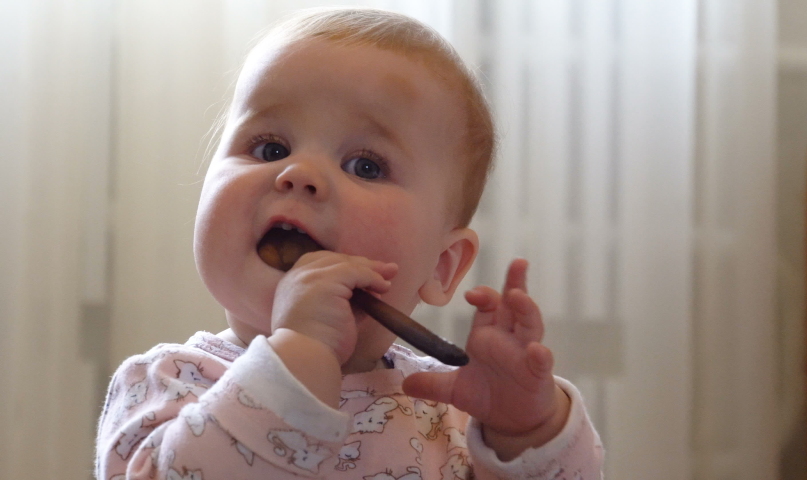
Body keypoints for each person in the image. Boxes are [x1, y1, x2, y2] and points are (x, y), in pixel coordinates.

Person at [95, 7, 603, 480]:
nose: (299, 174)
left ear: (443, 267)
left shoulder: (453, 412)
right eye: (270, 147)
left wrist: (527, 430)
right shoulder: (163, 383)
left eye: (366, 165)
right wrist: (302, 354)